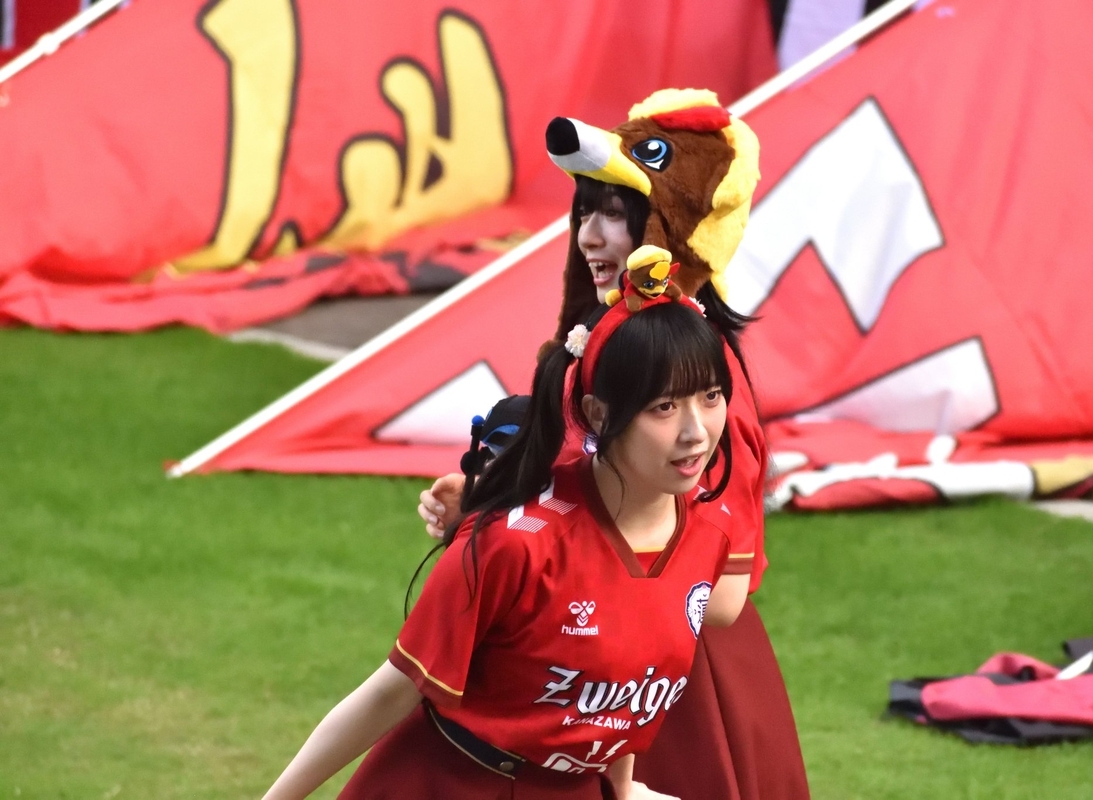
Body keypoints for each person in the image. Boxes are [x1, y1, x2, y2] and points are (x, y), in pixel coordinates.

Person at [420, 90, 809, 799]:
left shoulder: (698, 386)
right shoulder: (602, 351)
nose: (589, 239)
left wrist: (573, 575)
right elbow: (582, 502)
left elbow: (719, 598)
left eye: (615, 214)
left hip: (663, 693)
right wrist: (492, 511)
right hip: (586, 676)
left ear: (676, 227)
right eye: (584, 213)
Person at [263, 294, 747, 800]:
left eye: (711, 396)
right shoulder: (515, 542)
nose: (696, 432)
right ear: (598, 415)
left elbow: (626, 678)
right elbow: (392, 691)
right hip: (450, 785)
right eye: (664, 406)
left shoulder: (709, 533)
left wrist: (623, 790)